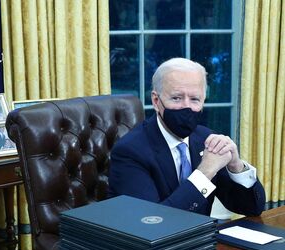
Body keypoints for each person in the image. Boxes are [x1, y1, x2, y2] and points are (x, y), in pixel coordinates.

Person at [108, 57, 265, 216]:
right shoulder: (130, 151)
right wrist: (204, 173)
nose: (186, 107)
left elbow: (252, 208)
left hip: (204, 238)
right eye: (176, 98)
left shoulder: (206, 139)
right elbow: (151, 222)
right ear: (156, 101)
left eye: (195, 99)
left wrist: (236, 167)